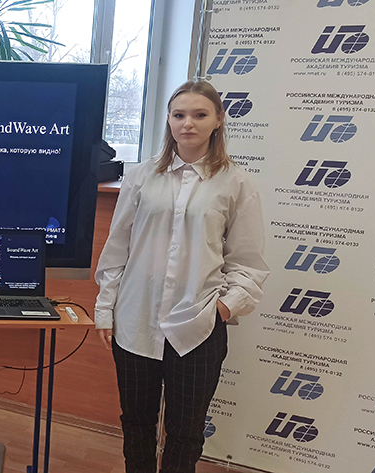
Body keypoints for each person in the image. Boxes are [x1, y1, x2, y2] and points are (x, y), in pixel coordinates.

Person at [93, 80, 269, 473]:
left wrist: (223, 309)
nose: (188, 123)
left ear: (218, 120)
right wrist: (105, 310)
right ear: (169, 120)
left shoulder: (237, 183)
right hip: (136, 321)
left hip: (198, 327)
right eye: (179, 115)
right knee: (136, 422)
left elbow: (248, 262)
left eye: (199, 114)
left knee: (186, 432)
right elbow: (117, 249)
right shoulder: (141, 177)